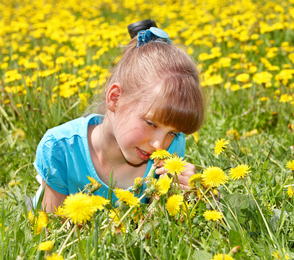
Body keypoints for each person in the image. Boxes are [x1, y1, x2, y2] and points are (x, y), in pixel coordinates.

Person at [33, 25, 205, 212]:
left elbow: (168, 223)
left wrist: (193, 194)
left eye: (172, 132)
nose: (159, 145)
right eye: (151, 123)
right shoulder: (60, 149)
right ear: (115, 98)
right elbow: (50, 230)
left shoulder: (172, 147)